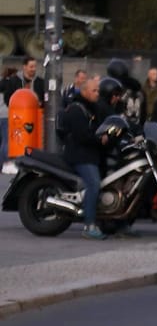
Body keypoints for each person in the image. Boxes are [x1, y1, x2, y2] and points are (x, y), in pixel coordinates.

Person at [58, 75, 108, 240]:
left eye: (98, 90)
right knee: (93, 184)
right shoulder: (76, 109)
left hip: (90, 154)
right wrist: (100, 139)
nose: (97, 93)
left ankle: (118, 224)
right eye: (94, 90)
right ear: (85, 91)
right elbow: (82, 136)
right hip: (80, 156)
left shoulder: (93, 107)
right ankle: (89, 225)